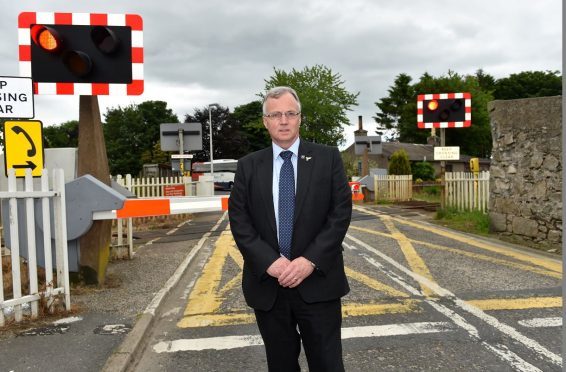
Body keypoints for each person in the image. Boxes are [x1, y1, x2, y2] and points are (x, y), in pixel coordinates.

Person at [229, 86, 352, 371]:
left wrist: (309, 261)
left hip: (318, 283)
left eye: (290, 114)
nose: (283, 121)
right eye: (275, 115)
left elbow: (340, 213)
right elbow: (239, 219)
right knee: (281, 365)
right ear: (265, 121)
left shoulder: (328, 158)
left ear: (299, 118)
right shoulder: (248, 166)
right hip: (269, 286)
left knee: (328, 364)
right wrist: (269, 262)